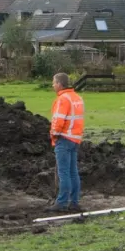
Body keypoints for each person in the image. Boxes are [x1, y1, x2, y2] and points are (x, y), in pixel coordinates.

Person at [50, 71, 85, 212]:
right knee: (73, 172)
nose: (53, 85)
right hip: (75, 139)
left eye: (54, 82)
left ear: (59, 84)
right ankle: (74, 201)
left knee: (63, 172)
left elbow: (58, 120)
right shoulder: (77, 98)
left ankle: (62, 202)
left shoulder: (63, 99)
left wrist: (54, 135)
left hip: (63, 139)